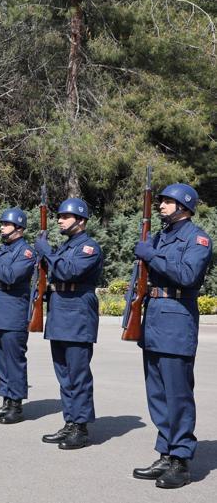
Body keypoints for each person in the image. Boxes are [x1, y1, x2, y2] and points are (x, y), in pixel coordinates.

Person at [130, 183, 212, 489]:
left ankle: (181, 460)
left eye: (167, 201)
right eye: (161, 200)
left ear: (184, 206)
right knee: (158, 394)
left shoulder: (197, 237)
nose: (161, 206)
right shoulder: (161, 235)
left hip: (177, 319)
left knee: (177, 394)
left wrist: (151, 256)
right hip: (154, 319)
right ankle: (165, 452)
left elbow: (188, 275)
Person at [34, 198, 103, 449]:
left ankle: (81, 427)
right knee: (64, 374)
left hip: (77, 314)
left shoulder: (88, 247)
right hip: (61, 311)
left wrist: (47, 252)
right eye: (59, 216)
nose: (60, 220)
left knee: (78, 374)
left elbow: (68, 272)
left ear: (81, 221)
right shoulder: (65, 246)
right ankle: (70, 421)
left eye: (66, 216)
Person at [0, 207, 36, 424]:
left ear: (18, 228)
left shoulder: (26, 252)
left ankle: (16, 405)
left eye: (6, 224)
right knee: (1, 361)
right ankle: (6, 401)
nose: (1, 227)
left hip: (14, 313)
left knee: (14, 361)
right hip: (0, 312)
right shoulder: (3, 249)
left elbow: (10, 275)